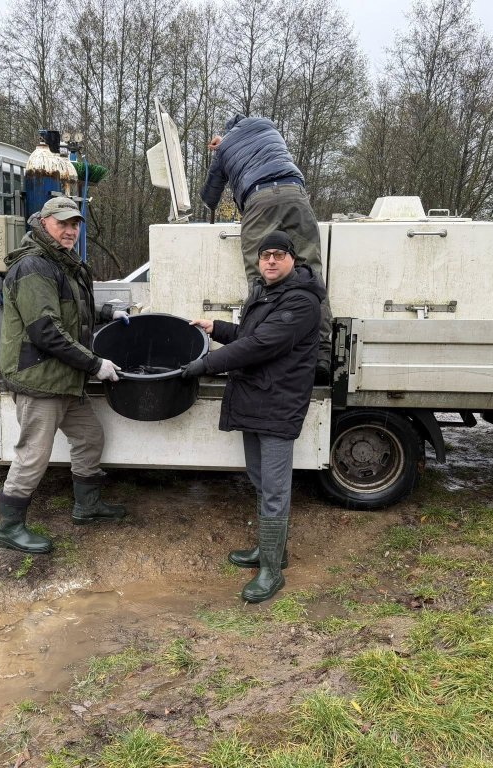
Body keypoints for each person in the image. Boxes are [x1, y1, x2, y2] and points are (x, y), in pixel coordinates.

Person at [182, 230, 326, 603]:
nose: (271, 261)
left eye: (279, 254)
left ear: (293, 259)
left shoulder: (302, 301)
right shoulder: (266, 291)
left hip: (278, 403)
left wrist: (205, 365)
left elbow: (263, 344)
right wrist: (218, 329)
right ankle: (270, 551)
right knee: (261, 480)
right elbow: (251, 333)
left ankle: (272, 572)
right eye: (266, 256)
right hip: (256, 398)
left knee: (275, 489)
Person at [0, 195, 130, 555]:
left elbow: (70, 309)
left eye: (74, 225)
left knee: (89, 436)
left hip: (63, 378)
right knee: (33, 455)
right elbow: (46, 331)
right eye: (63, 223)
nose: (70, 230)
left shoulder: (62, 263)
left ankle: (87, 506)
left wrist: (106, 312)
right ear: (44, 223)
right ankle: (9, 526)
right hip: (40, 378)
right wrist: (95, 364)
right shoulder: (33, 267)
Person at [199, 114, 333, 383]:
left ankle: (259, 349)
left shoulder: (224, 147)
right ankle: (321, 354)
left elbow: (210, 197)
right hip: (296, 194)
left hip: (259, 200)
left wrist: (220, 153)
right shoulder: (267, 126)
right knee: (311, 275)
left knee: (262, 276)